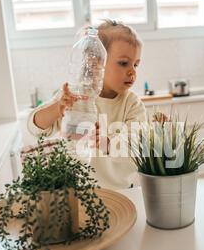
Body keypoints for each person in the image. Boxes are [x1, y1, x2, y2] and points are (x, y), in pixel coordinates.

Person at [27, 19, 146, 189]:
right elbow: (34, 126)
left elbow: (136, 148)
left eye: (136, 64)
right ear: (96, 62)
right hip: (78, 193)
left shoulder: (132, 104)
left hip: (120, 192)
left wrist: (106, 143)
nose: (132, 71)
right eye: (123, 63)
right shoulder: (74, 97)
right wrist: (57, 109)